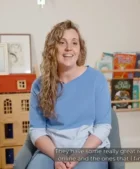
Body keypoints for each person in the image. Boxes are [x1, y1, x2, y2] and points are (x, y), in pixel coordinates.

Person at [27, 20, 112, 169]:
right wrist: (57, 156)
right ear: (52, 48)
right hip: (52, 151)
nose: (69, 48)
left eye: (74, 43)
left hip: (88, 151)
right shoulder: (39, 85)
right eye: (62, 42)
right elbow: (37, 130)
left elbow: (103, 126)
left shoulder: (96, 79)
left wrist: (77, 157)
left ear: (80, 48)